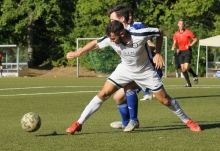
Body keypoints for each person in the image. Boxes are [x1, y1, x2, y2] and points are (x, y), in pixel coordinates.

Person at [65, 20, 201, 135]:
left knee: (164, 100)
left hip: (145, 71)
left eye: (113, 38)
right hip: (124, 70)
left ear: (122, 33)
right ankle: (79, 123)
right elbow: (95, 43)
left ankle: (187, 121)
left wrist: (158, 53)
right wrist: (78, 53)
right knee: (104, 93)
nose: (110, 40)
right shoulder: (110, 38)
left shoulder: (139, 35)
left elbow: (159, 32)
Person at [172, 19, 198, 87]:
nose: (181, 25)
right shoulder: (176, 33)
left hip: (187, 51)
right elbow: (174, 42)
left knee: (186, 67)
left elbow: (195, 39)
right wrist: (173, 46)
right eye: (180, 24)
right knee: (183, 69)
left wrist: (190, 45)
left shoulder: (188, 32)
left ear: (184, 25)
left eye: (182, 24)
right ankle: (188, 83)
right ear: (178, 25)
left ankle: (194, 75)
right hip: (181, 52)